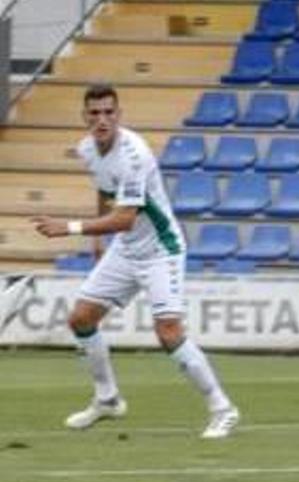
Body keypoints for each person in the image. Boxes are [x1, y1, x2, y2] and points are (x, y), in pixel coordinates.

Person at [32, 84, 239, 439]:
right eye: (94, 113)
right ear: (84, 117)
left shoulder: (134, 155)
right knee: (81, 318)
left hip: (161, 249)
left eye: (108, 112)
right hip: (126, 249)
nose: (102, 120)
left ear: (119, 115)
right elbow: (105, 191)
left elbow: (125, 217)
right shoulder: (88, 149)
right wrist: (97, 240)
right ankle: (107, 399)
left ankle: (223, 408)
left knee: (168, 332)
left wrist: (69, 228)